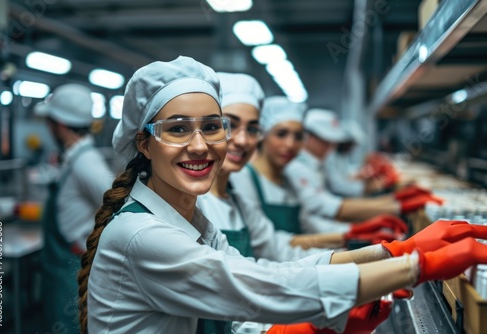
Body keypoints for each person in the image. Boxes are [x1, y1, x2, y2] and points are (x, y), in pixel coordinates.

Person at [77, 56, 487, 334]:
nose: (201, 145)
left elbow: (268, 270)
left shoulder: (190, 218)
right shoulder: (142, 236)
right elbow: (255, 290)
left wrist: (393, 250)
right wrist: (418, 265)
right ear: (144, 144)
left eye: (213, 126)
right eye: (178, 129)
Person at [198, 73, 406, 262]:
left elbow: (279, 245)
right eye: (229, 125)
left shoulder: (238, 197)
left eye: (252, 129)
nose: (290, 145)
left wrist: (357, 241)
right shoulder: (220, 193)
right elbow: (252, 272)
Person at [34, 83, 114, 333]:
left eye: (49, 122)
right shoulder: (75, 157)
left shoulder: (86, 163)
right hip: (61, 266)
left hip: (71, 267)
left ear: (59, 123)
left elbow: (118, 207)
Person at [283, 108, 443, 228]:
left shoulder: (318, 161)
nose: (331, 146)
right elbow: (329, 204)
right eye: (326, 141)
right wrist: (396, 205)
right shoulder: (297, 167)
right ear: (308, 136)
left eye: (333, 141)